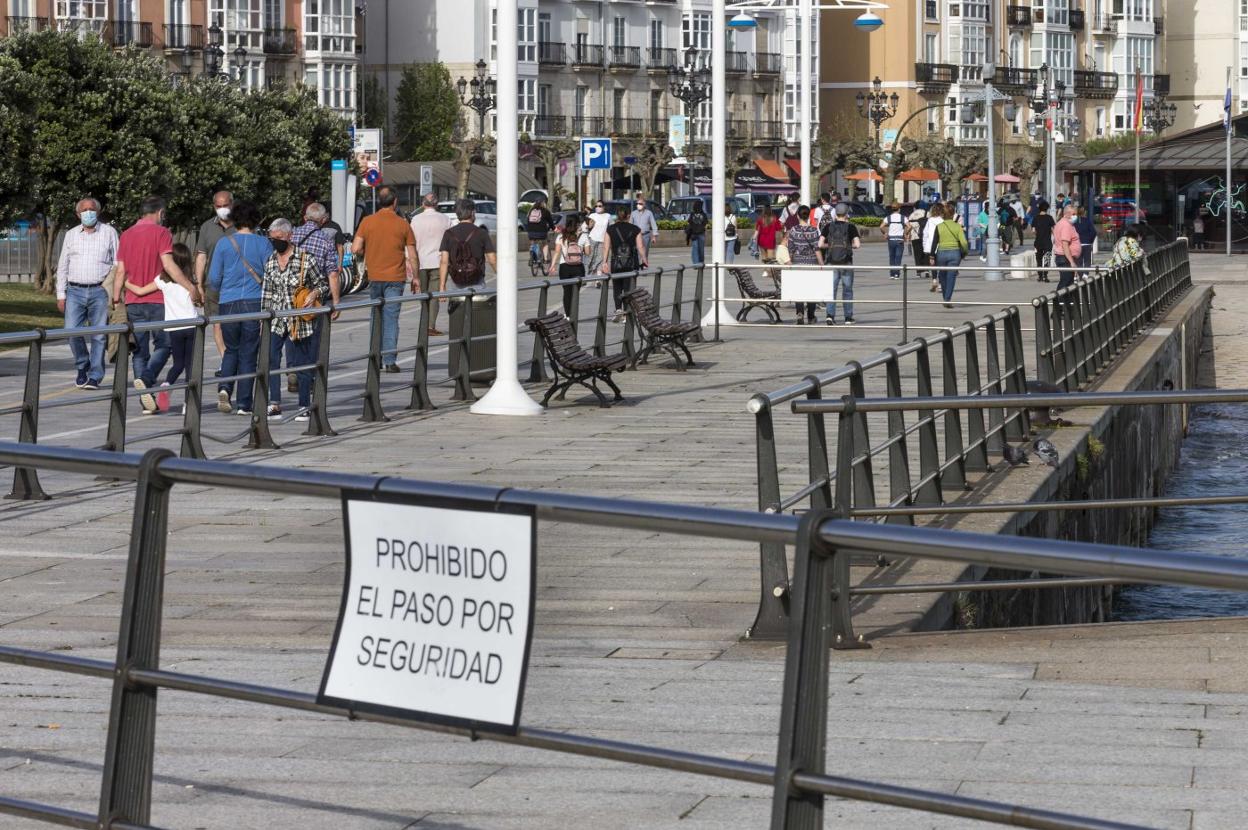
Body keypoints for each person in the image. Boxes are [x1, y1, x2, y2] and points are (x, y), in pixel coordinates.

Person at [114, 195, 198, 415]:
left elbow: (121, 271)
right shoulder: (162, 233)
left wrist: (116, 298)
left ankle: (146, 400)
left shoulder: (126, 235)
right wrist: (190, 286)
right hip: (159, 301)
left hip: (133, 301)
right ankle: (147, 378)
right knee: (164, 346)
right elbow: (168, 265)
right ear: (160, 213)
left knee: (139, 353)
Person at [261, 218, 330, 422]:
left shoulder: (305, 259)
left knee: (302, 361)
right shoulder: (271, 260)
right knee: (271, 360)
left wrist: (314, 293)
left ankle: (304, 405)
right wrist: (262, 320)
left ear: (290, 236)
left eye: (279, 238)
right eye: (272, 239)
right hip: (275, 320)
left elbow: (323, 283)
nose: (276, 242)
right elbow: (267, 292)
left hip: (299, 319)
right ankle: (274, 403)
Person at [207, 201, 271, 416]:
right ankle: (244, 403)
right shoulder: (264, 244)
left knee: (231, 349)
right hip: (253, 302)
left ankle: (225, 387)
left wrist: (222, 288)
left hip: (228, 302)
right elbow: (270, 276)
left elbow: (214, 278)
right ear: (256, 220)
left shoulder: (224, 244)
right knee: (248, 352)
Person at [124, 243, 197, 414]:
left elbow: (141, 291)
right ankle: (188, 404)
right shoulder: (189, 280)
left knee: (177, 363)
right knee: (190, 366)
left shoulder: (162, 280)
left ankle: (167, 384)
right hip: (192, 326)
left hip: (173, 327)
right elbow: (197, 298)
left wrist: (125, 283)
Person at [352, 185, 416, 374]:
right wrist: (416, 278)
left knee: (375, 317)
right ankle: (390, 361)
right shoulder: (402, 224)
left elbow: (355, 248)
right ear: (395, 202)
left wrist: (367, 252)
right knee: (391, 319)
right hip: (395, 278)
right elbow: (412, 254)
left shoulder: (367, 222)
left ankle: (375, 357)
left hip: (374, 277)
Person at [56, 197, 117, 390]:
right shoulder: (71, 235)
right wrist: (61, 294)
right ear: (77, 214)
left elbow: (118, 263)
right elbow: (63, 265)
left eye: (92, 209)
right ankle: (83, 366)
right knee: (71, 331)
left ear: (98, 212)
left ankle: (95, 376)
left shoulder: (109, 232)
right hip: (74, 291)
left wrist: (114, 289)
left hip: (100, 290)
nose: (88, 213)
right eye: (84, 210)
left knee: (99, 335)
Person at [194, 191, 235, 358]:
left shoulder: (243, 225)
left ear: (232, 204)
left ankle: (234, 357)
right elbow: (201, 256)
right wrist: (198, 284)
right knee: (217, 324)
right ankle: (225, 359)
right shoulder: (207, 227)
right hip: (213, 285)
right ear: (214, 206)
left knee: (235, 324)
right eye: (219, 206)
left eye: (225, 205)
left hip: (236, 285)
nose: (222, 209)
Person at [409, 192, 454, 336]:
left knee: (423, 295)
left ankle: (424, 323)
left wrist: (409, 262)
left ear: (423, 204)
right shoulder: (445, 219)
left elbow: (410, 242)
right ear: (437, 204)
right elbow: (451, 241)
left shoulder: (415, 220)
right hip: (439, 262)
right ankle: (430, 325)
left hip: (420, 262)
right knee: (434, 295)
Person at [439, 198, 497, 293]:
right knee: (478, 307)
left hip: (456, 281)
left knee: (457, 305)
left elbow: (444, 262)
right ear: (472, 213)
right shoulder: (481, 233)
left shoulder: (448, 234)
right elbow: (492, 259)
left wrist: (442, 286)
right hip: (477, 280)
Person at [600, 205, 647, 323]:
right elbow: (640, 246)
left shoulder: (610, 229)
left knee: (617, 287)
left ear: (617, 215)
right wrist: (644, 259)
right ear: (629, 215)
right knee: (629, 288)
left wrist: (604, 262)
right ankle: (627, 312)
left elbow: (606, 247)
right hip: (631, 263)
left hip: (616, 262)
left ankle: (618, 310)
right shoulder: (636, 229)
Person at [819, 203, 860, 325]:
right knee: (847, 290)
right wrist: (848, 246)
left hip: (831, 261)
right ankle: (848, 317)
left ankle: (830, 315)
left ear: (835, 214)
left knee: (831, 290)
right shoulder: (851, 227)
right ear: (846, 214)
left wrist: (830, 246)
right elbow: (857, 244)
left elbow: (820, 244)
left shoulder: (828, 226)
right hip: (846, 262)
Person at [783, 204, 820, 324]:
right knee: (811, 291)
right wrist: (822, 264)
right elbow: (817, 249)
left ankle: (799, 313)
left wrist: (790, 262)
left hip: (798, 263)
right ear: (808, 215)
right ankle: (811, 315)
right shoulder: (814, 230)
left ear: (798, 216)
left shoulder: (794, 230)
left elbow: (791, 249)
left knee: (799, 290)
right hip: (812, 263)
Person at [549, 213, 587, 315]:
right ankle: (574, 313)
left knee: (567, 292)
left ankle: (568, 315)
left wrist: (552, 266)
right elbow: (588, 252)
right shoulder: (583, 236)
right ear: (577, 224)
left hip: (564, 266)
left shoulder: (561, 236)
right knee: (575, 293)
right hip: (578, 267)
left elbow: (557, 252)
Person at [933, 207, 969, 307]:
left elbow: (935, 242)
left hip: (941, 253)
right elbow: (964, 242)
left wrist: (932, 255)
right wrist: (965, 252)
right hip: (954, 253)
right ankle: (947, 298)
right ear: (953, 215)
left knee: (942, 275)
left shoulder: (939, 226)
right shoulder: (957, 227)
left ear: (943, 215)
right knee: (951, 277)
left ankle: (945, 296)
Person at [1052, 203, 1082, 293]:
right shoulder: (1066, 225)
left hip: (1064, 257)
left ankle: (1066, 304)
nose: (1075, 216)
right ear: (1066, 214)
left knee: (1069, 284)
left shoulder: (1062, 223)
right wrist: (1072, 262)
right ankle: (1058, 303)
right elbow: (1065, 245)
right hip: (1065, 258)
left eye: (1076, 214)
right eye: (1073, 214)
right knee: (1066, 283)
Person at [584, 200, 611, 274]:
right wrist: (589, 226)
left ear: (604, 207)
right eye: (596, 206)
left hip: (602, 240)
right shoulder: (592, 215)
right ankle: (586, 274)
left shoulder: (608, 216)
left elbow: (611, 227)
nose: (597, 207)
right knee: (590, 257)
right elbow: (585, 227)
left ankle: (598, 278)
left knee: (600, 259)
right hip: (592, 239)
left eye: (600, 206)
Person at [922, 202, 945, 293]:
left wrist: (924, 246)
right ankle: (940, 284)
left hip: (929, 246)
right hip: (940, 246)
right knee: (941, 265)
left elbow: (925, 234)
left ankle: (934, 280)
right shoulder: (943, 221)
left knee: (933, 264)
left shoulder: (929, 220)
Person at [1031, 200, 1055, 283]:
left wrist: (1038, 233)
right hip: (1047, 242)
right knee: (1047, 258)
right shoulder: (1049, 218)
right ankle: (1046, 275)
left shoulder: (1036, 218)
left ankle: (1040, 276)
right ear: (1047, 209)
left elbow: (1033, 230)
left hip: (1038, 241)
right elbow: (1053, 230)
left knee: (1039, 259)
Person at [525, 195, 555, 263]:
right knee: (545, 243)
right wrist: (553, 228)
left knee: (533, 242)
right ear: (543, 202)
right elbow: (550, 222)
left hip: (531, 232)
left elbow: (527, 221)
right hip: (541, 232)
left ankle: (532, 256)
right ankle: (545, 259)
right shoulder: (545, 211)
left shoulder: (531, 210)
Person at [883, 202, 906, 280]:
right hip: (900, 239)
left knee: (892, 257)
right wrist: (905, 233)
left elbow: (881, 226)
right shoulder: (903, 217)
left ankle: (892, 274)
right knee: (898, 257)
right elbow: (909, 226)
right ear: (899, 209)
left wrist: (885, 233)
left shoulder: (888, 218)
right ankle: (897, 274)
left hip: (891, 239)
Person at [1075, 206, 1097, 270]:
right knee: (1087, 261)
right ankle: (1085, 275)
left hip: (1077, 244)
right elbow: (1093, 232)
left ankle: (1080, 275)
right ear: (1084, 212)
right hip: (1087, 244)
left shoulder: (1074, 222)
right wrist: (1090, 241)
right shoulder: (1087, 221)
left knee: (1079, 262)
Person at [686, 201, 707, 265]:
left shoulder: (692, 214)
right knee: (700, 249)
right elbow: (706, 223)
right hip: (700, 233)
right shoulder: (703, 214)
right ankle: (700, 262)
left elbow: (689, 223)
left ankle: (696, 263)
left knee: (695, 249)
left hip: (694, 234)